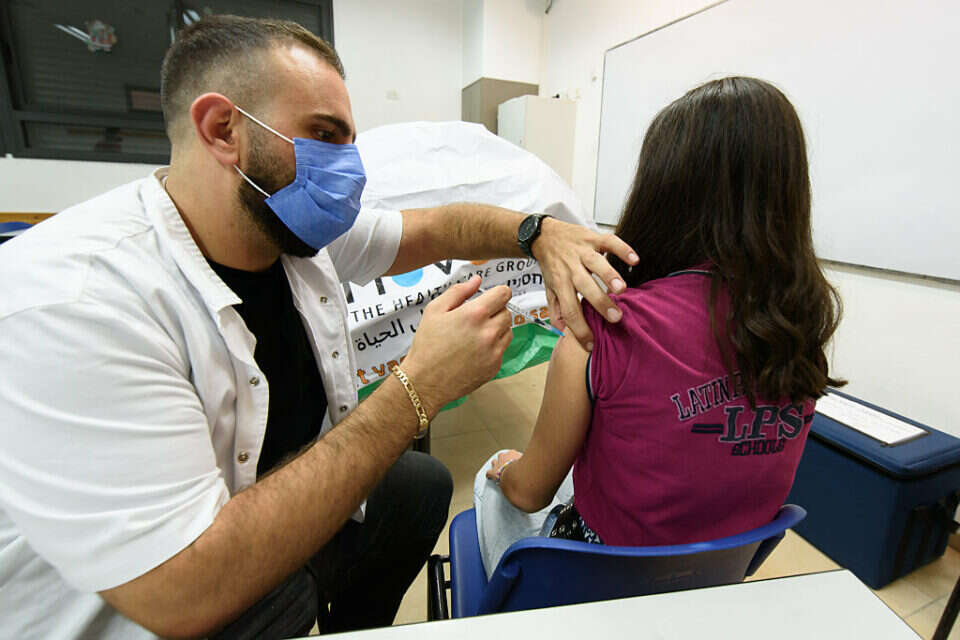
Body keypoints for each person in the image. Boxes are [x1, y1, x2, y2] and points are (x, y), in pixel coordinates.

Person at [0, 15, 639, 640]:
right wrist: (416, 389)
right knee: (282, 595)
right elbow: (180, 593)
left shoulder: (289, 228)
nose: (350, 170)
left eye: (349, 142)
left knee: (420, 486)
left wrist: (538, 231)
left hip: (253, 499)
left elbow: (435, 227)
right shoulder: (74, 303)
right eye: (324, 135)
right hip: (153, 604)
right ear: (223, 129)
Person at [474, 76, 846, 578]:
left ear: (662, 191)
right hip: (715, 578)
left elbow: (528, 492)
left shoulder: (604, 330)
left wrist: (506, 470)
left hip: (597, 584)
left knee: (496, 473)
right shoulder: (800, 338)